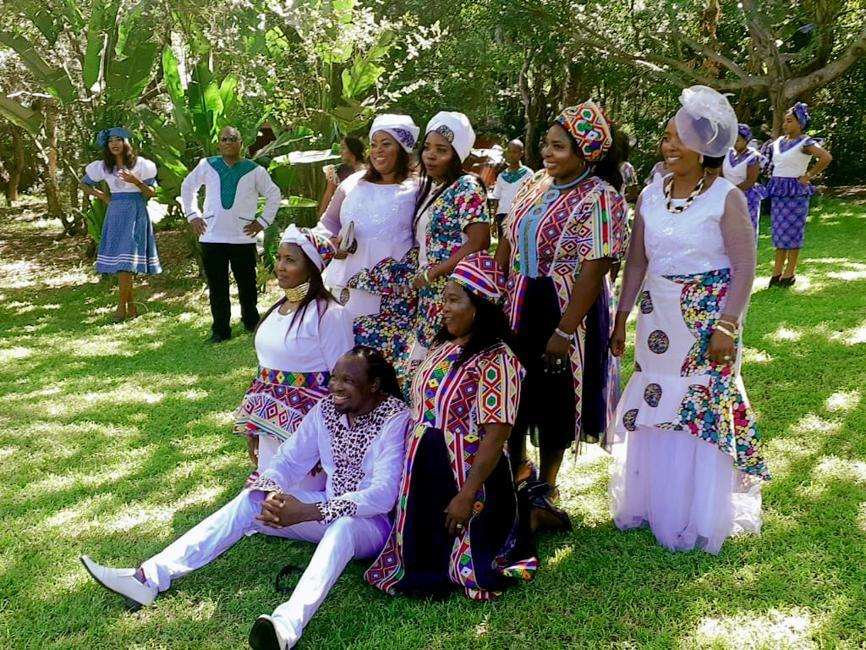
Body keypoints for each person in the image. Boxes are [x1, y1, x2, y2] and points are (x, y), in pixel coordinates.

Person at [80, 347, 409, 650]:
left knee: (343, 528)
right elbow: (290, 460)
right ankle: (148, 578)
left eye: (348, 380)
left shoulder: (395, 417)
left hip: (369, 526)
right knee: (252, 499)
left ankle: (285, 627)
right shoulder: (326, 410)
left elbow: (383, 496)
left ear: (374, 385)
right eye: (334, 377)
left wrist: (310, 510)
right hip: (322, 508)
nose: (336, 386)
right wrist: (271, 490)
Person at [608, 85, 770, 555]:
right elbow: (636, 262)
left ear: (706, 146)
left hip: (707, 324)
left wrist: (727, 325)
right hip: (657, 320)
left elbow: (744, 268)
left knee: (697, 406)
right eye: (665, 138)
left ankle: (698, 510)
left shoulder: (726, 197)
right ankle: (654, 503)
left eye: (679, 138)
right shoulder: (649, 196)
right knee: (658, 404)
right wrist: (621, 317)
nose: (669, 146)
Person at [365, 251, 536, 601]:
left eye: (454, 300)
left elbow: (496, 435)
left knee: (465, 557)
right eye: (444, 298)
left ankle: (532, 514)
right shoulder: (445, 345)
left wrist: (466, 494)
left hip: (466, 473)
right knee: (416, 552)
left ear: (480, 306)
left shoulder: (499, 360)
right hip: (424, 465)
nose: (443, 307)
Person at [495, 101, 629, 505]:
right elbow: (507, 237)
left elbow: (596, 265)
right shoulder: (534, 183)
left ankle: (547, 485)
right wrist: (492, 287)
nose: (547, 154)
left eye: (559, 147)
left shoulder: (601, 198)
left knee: (556, 393)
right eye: (546, 145)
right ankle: (516, 469)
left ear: (585, 152)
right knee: (511, 389)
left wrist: (565, 330)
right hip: (517, 300)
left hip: (566, 306)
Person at [234, 225, 353, 484]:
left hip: (309, 429)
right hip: (270, 424)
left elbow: (346, 379)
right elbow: (265, 373)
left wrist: (335, 436)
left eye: (290, 260)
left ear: (311, 266)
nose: (280, 266)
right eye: (278, 258)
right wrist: (254, 425)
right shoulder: (278, 310)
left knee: (300, 500)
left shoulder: (329, 314)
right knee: (271, 498)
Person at [316, 115, 420, 365]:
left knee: (382, 366)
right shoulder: (353, 183)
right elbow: (326, 224)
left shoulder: (418, 189)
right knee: (343, 358)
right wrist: (332, 245)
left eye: (387, 144)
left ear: (403, 149)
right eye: (374, 144)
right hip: (344, 289)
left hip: (392, 297)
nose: (378, 151)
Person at [181, 126, 282, 343]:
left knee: (247, 283)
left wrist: (262, 221)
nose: (228, 142)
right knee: (217, 287)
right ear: (219, 143)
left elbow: (274, 194)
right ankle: (220, 330)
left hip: (242, 237)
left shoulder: (254, 170)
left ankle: (251, 322)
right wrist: (192, 215)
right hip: (211, 236)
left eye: (233, 138)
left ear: (241, 143)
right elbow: (188, 187)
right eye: (224, 139)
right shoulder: (207, 165)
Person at [409, 111, 492, 363]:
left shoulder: (467, 187)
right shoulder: (433, 188)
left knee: (444, 363)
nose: (431, 155)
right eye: (427, 148)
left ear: (456, 155)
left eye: (441, 150)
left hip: (451, 292)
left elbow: (479, 242)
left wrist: (433, 273)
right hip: (428, 293)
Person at [80, 127, 160, 321]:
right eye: (110, 141)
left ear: (126, 142)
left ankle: (121, 307)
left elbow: (151, 192)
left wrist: (136, 181)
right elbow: (83, 184)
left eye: (118, 140)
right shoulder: (103, 167)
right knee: (123, 263)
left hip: (136, 211)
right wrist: (104, 197)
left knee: (127, 261)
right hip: (115, 212)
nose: (114, 144)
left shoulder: (141, 165)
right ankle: (130, 306)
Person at [766, 102, 833, 287]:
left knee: (793, 232)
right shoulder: (778, 142)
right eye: (785, 121)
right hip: (779, 191)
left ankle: (789, 273)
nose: (785, 124)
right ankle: (776, 272)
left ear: (800, 123)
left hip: (795, 192)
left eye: (789, 121)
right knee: (779, 232)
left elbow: (826, 157)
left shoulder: (806, 143)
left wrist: (809, 175)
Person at [722, 123, 765, 239]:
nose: (735, 143)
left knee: (746, 232)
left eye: (738, 140)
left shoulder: (753, 157)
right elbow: (721, 173)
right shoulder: (728, 153)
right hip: (727, 196)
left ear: (746, 140)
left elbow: (750, 180)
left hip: (746, 198)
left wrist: (733, 192)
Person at [490, 139, 533, 238]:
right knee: (503, 246)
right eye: (509, 151)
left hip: (519, 215)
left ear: (521, 153)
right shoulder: (501, 176)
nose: (511, 155)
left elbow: (532, 197)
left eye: (514, 152)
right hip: (502, 216)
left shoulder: (528, 174)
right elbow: (497, 198)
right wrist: (494, 222)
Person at [317, 136, 366, 216]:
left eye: (343, 148)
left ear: (352, 149)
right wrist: (321, 217)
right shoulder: (335, 171)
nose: (340, 152)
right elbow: (329, 195)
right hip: (343, 216)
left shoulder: (369, 171)